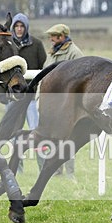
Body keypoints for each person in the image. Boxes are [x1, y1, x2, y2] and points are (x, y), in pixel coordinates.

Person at [43, 23, 84, 179]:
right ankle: (56, 171)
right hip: (52, 103)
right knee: (53, 138)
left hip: (67, 104)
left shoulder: (75, 53)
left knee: (67, 139)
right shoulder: (52, 53)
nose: (51, 39)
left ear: (61, 37)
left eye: (53, 36)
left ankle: (70, 173)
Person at [9, 13, 47, 172]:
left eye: (21, 26)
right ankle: (17, 169)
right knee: (13, 133)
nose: (19, 29)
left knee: (36, 131)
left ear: (26, 28)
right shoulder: (7, 44)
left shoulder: (37, 45)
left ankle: (43, 167)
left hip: (30, 98)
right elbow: (1, 70)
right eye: (16, 26)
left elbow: (43, 69)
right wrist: (2, 96)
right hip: (12, 98)